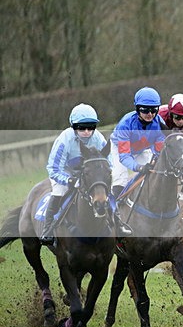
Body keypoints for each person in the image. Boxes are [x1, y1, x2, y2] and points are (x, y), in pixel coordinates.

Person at [41, 104, 131, 244]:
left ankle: (118, 223)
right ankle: (47, 230)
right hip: (65, 173)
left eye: (91, 127)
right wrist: (70, 181)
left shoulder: (98, 138)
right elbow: (53, 169)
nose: (87, 132)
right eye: (82, 128)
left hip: (89, 173)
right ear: (73, 126)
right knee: (60, 190)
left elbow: (108, 163)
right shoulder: (64, 139)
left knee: (106, 192)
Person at [110, 87, 167, 198]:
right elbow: (124, 156)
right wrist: (139, 167)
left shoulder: (160, 124)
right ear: (137, 109)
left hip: (142, 150)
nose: (150, 114)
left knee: (153, 175)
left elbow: (159, 152)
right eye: (145, 110)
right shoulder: (125, 124)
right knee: (120, 180)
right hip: (119, 150)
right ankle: (115, 211)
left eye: (154, 110)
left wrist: (155, 160)